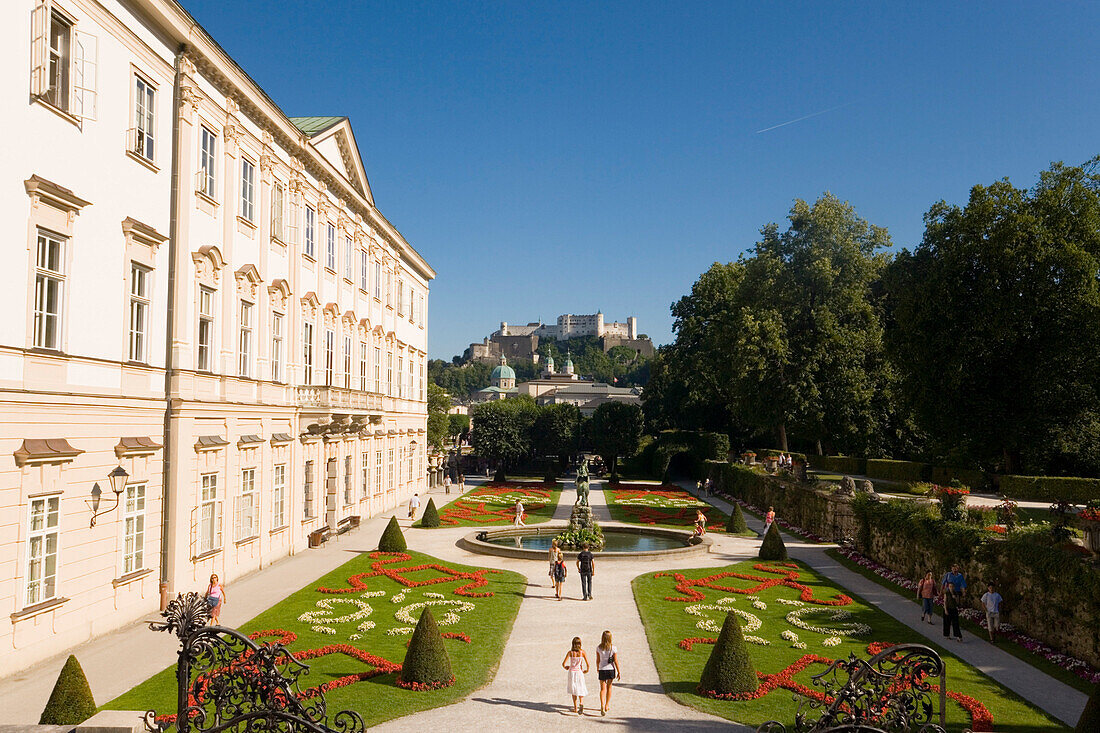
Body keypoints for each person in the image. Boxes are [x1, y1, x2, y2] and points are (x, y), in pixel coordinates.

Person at [596, 630, 620, 716]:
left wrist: (597, 668)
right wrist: (619, 671)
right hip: (610, 669)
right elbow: (616, 661)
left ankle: (601, 704)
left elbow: (598, 660)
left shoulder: (599, 648)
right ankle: (607, 705)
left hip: (602, 669)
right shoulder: (613, 648)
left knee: (602, 689)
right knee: (609, 688)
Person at [563, 636, 590, 714]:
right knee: (580, 687)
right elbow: (588, 664)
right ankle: (581, 703)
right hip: (579, 672)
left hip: (572, 672)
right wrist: (586, 670)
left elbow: (563, 663)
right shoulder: (582, 652)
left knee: (573, 689)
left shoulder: (570, 653)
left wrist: (566, 667)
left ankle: (575, 708)